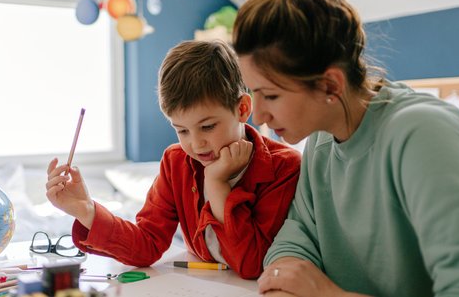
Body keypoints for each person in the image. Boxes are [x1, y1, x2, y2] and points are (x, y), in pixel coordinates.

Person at [232, 0, 459, 296]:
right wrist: (282, 281)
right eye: (253, 93)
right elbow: (298, 234)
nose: (257, 115)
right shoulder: (321, 143)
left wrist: (327, 294)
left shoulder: (422, 135)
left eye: (271, 95)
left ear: (330, 85)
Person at [45, 40, 301, 279]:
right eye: (182, 130)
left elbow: (252, 264)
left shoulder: (284, 167)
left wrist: (217, 185)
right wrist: (86, 210)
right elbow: (147, 244)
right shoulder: (176, 161)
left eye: (208, 126)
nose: (196, 144)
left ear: (242, 108)